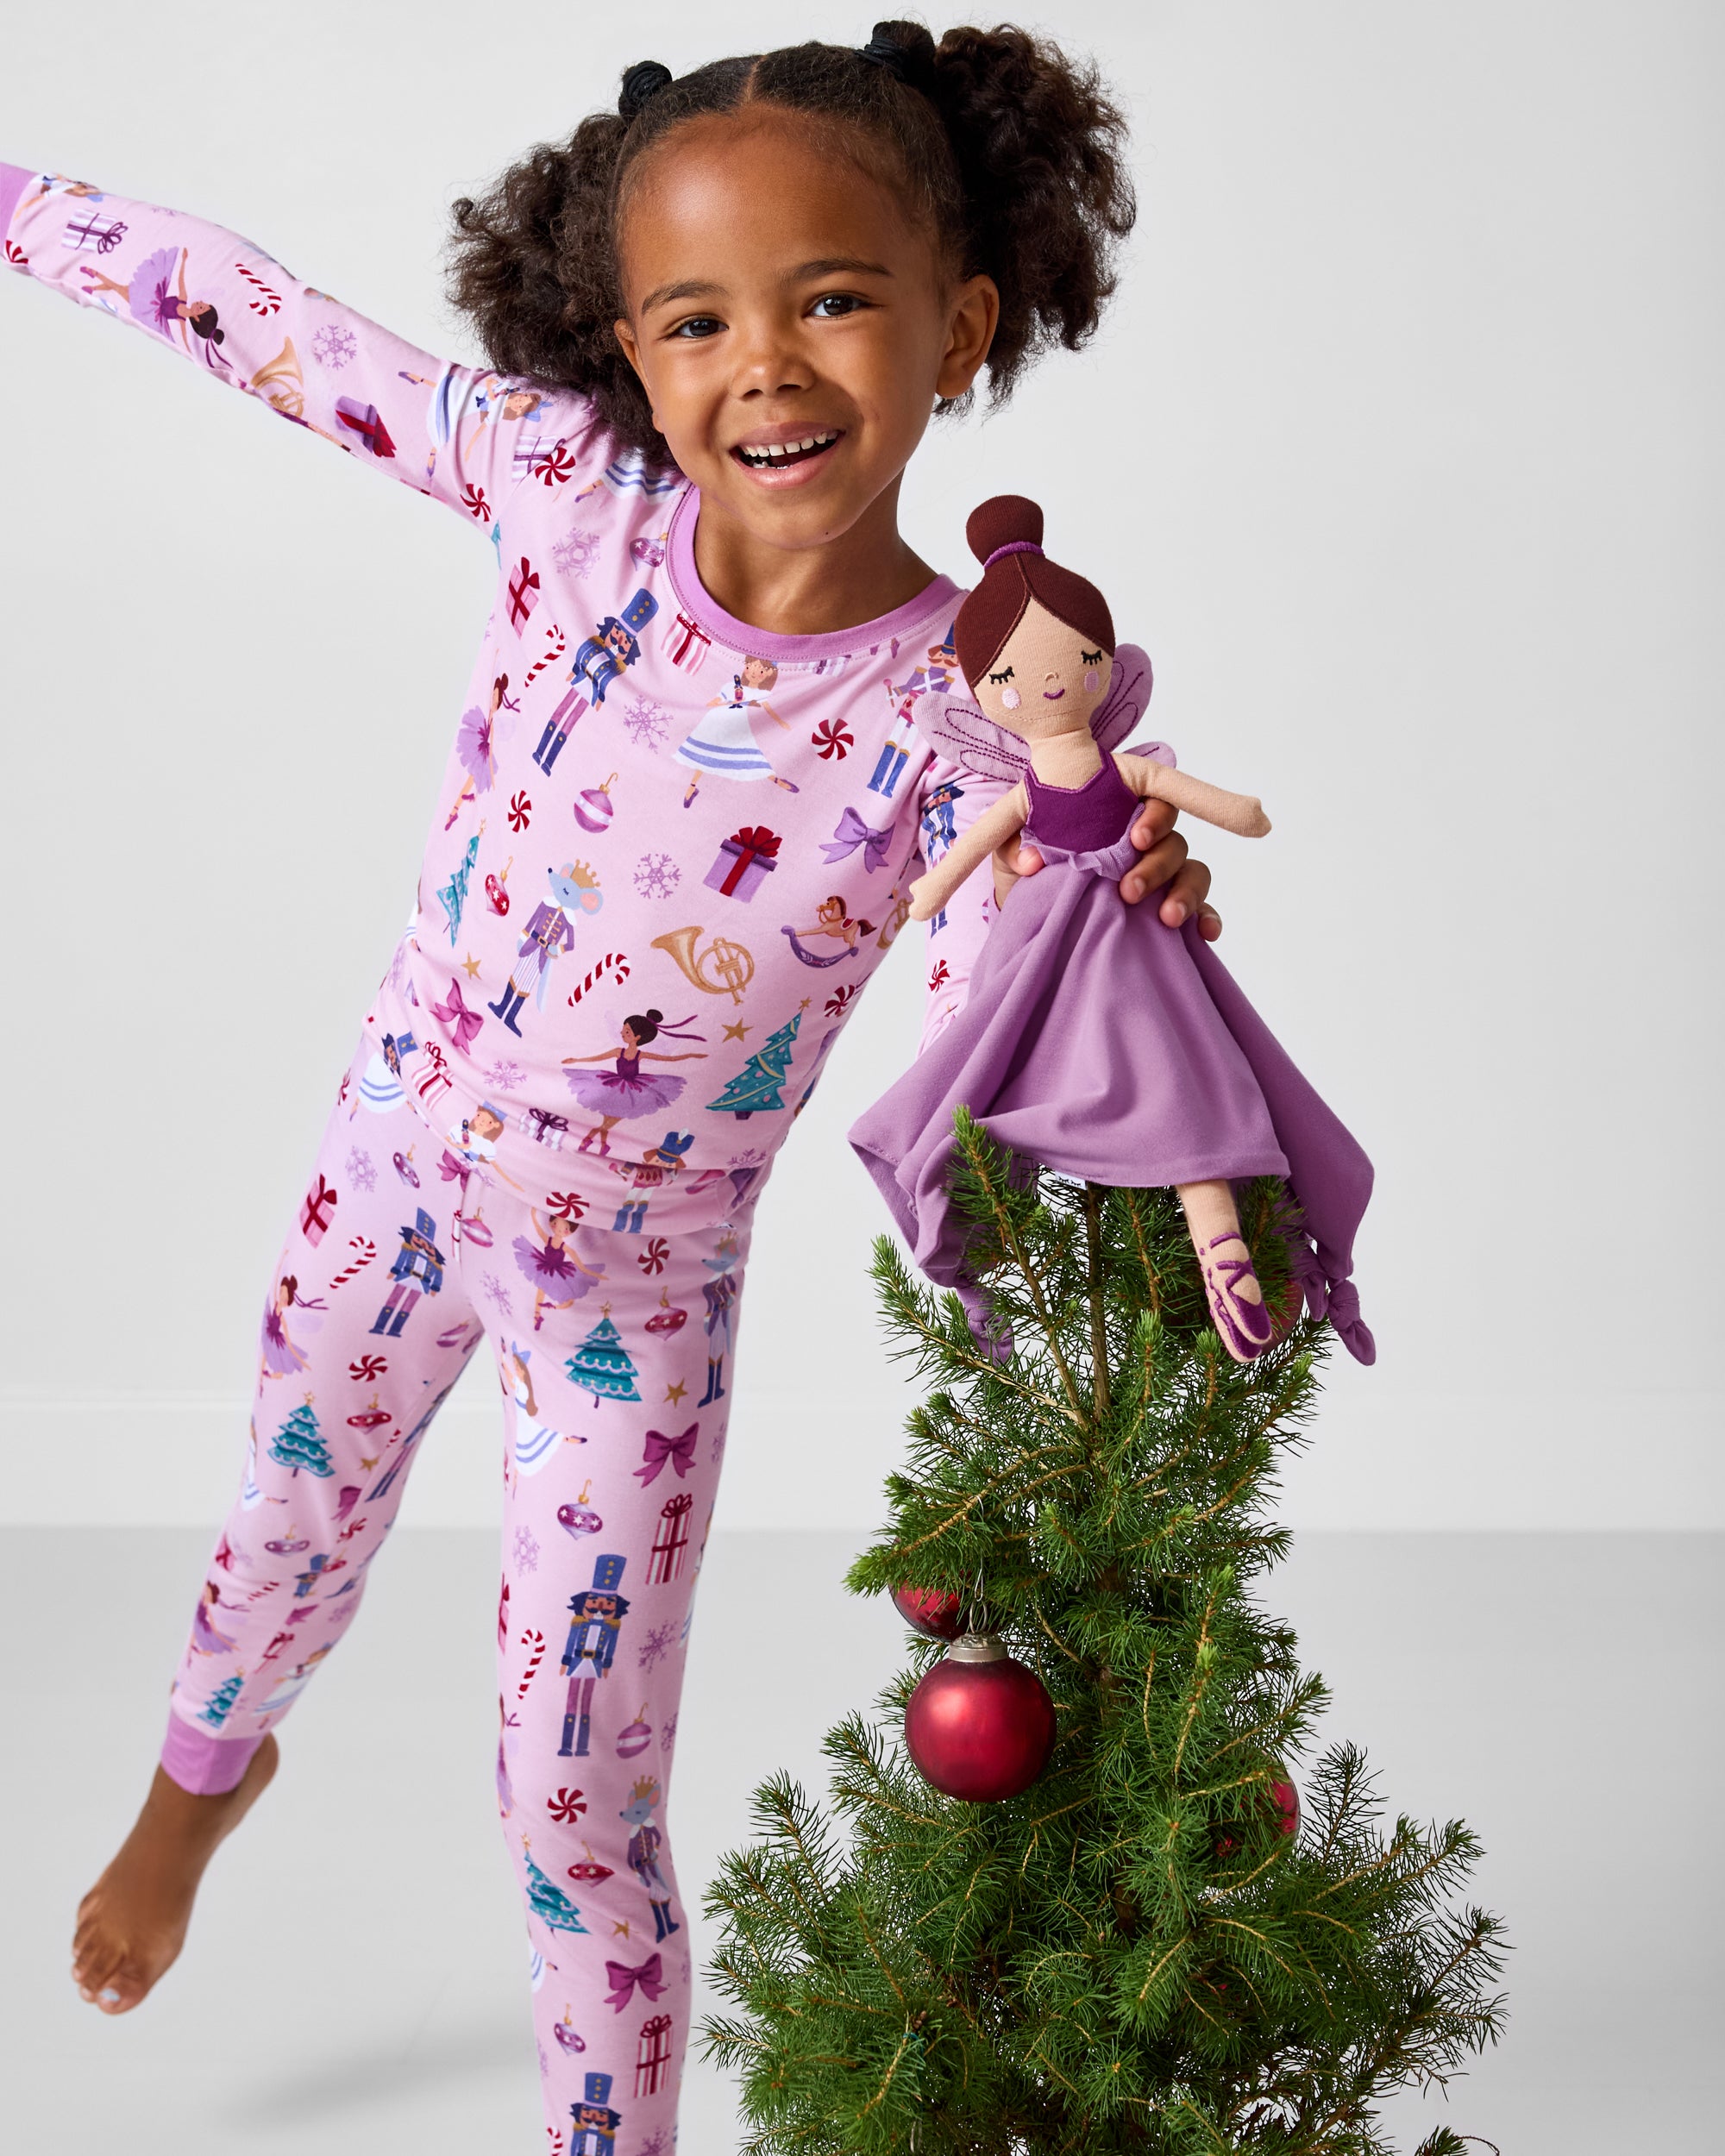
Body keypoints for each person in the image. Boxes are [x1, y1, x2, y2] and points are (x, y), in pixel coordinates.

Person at [8, 22, 1230, 2147]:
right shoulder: (563, 493)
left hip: (631, 1311)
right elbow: (264, 322)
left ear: (959, 328)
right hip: (390, 1167)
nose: (766, 364)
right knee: (279, 1528)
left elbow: (1011, 997)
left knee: (577, 1794)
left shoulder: (968, 709)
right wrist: (28, 214)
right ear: (627, 356)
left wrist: (1119, 905)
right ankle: (197, 1789)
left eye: (832, 299)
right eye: (700, 319)